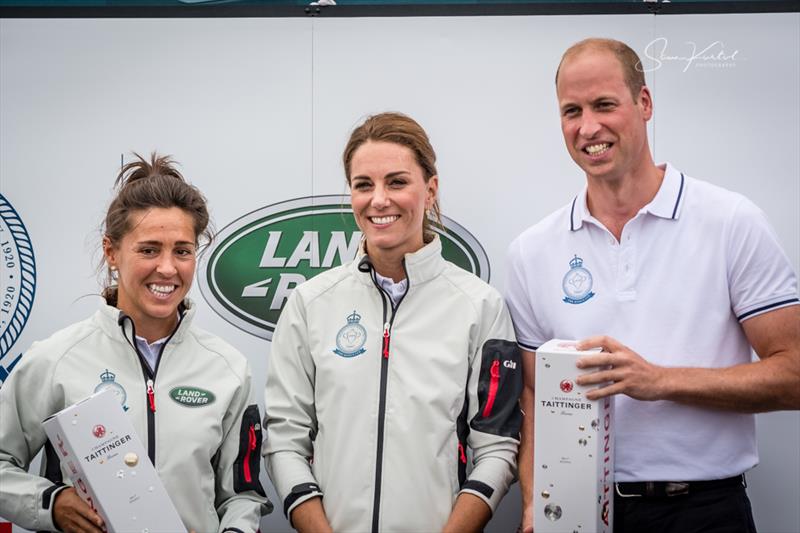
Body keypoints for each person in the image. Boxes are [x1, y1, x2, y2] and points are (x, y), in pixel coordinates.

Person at [507, 38, 800, 533]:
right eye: (571, 111)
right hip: (579, 511)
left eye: (604, 105)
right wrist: (536, 500)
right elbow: (533, 394)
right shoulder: (532, 249)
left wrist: (658, 380)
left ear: (644, 104)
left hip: (705, 511)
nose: (588, 127)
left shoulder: (730, 221)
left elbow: (793, 373)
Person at [264, 112, 523, 532]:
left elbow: (497, 448)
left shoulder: (479, 306)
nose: (379, 200)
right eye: (363, 185)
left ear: (430, 189)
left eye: (397, 182)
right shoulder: (311, 303)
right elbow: (284, 439)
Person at [0, 153, 272, 532]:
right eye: (148, 249)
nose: (167, 267)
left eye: (182, 250)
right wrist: (50, 503)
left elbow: (243, 495)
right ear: (111, 252)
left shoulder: (227, 369)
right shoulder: (55, 360)